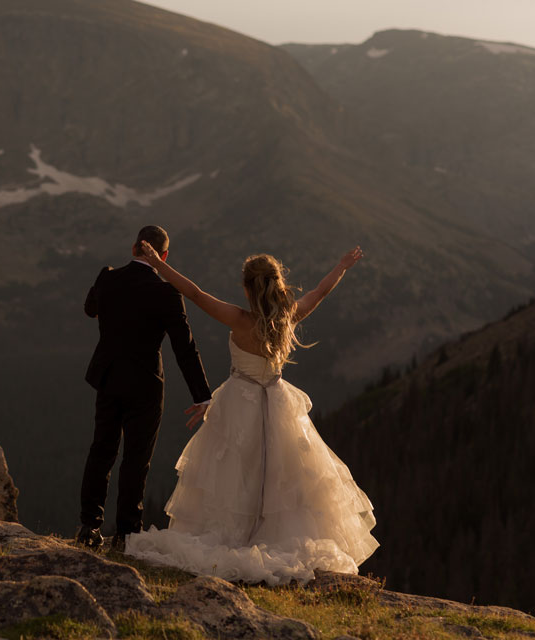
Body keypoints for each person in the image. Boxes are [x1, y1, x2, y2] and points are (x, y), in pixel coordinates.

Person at [125, 242, 378, 585]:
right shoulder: (287, 317)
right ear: (277, 286)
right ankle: (271, 536)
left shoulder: (239, 319)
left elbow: (195, 294)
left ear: (246, 287)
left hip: (238, 402)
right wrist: (342, 266)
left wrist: (159, 264)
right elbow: (319, 292)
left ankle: (238, 536)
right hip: (277, 402)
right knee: (282, 475)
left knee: (233, 471)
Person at [76, 225, 212, 552]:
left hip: (108, 377)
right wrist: (202, 395)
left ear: (134, 247)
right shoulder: (166, 293)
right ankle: (126, 534)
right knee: (136, 459)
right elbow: (185, 347)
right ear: (163, 256)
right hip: (146, 384)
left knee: (101, 449)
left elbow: (90, 309)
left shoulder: (107, 278)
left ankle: (88, 526)